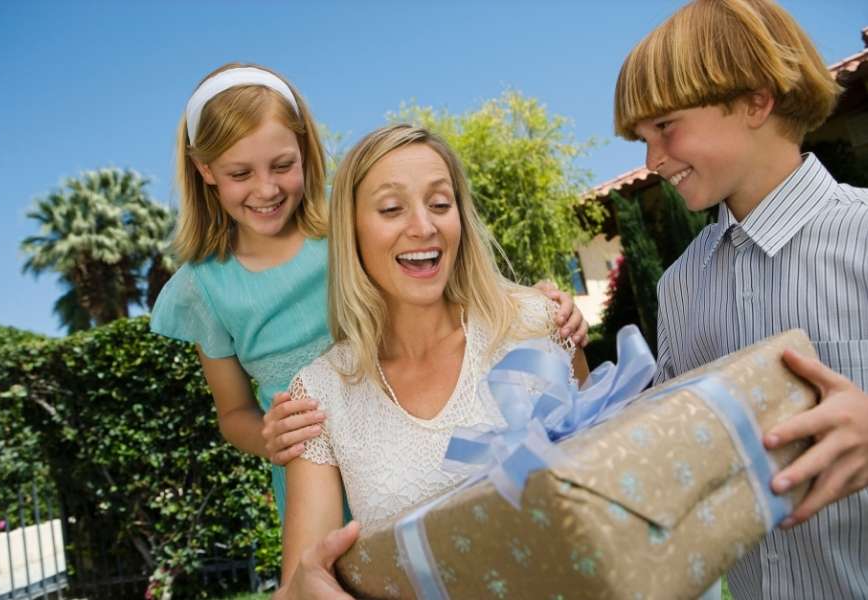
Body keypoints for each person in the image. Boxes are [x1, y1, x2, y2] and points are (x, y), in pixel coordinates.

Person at [150, 63, 590, 520]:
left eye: (282, 165)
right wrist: (270, 434)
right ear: (204, 169)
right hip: (311, 466)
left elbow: (444, 271)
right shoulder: (202, 288)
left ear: (304, 150)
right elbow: (232, 411)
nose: (266, 188)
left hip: (404, 439)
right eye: (240, 174)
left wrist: (532, 304)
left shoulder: (351, 221)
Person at [614, 1, 868, 598]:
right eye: (642, 138)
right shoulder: (678, 286)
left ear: (756, 100)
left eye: (666, 126)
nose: (651, 162)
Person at [276, 124, 590, 598]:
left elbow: (610, 486)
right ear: (352, 231)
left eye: (440, 204)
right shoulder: (321, 395)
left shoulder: (538, 325)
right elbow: (300, 584)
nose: (423, 226)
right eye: (391, 208)